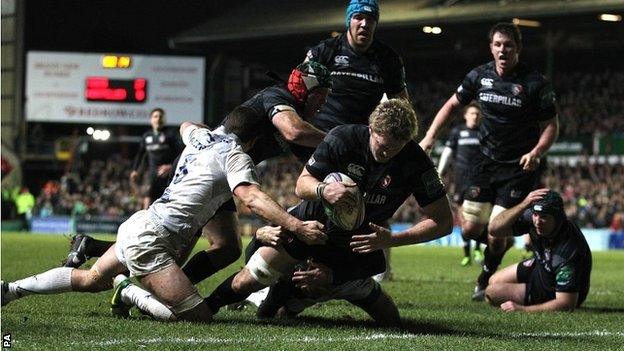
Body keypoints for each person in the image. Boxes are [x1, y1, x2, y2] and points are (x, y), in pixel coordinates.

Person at [1, 109, 327, 324]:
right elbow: (250, 197)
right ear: (254, 140)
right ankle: (128, 289)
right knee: (197, 316)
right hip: (154, 240)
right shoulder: (236, 155)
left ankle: (11, 290)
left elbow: (186, 125)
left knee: (89, 280)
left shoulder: (201, 137)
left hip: (139, 223)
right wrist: (295, 224)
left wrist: (204, 129)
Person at [62, 62, 331, 291]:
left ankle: (102, 250)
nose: (323, 103)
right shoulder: (279, 96)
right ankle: (141, 288)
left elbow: (306, 151)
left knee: (227, 248)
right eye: (320, 95)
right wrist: (336, 138)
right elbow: (294, 131)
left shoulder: (291, 113)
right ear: (303, 89)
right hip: (209, 170)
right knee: (171, 255)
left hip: (224, 176)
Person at [203, 99, 453, 326]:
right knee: (249, 278)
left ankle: (294, 294)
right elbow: (302, 185)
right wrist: (323, 190)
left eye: (395, 148)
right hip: (311, 225)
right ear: (370, 128)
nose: (386, 154)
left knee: (390, 318)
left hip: (355, 244)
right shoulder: (342, 138)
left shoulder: (417, 162)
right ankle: (206, 307)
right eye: (381, 145)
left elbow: (442, 223)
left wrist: (393, 239)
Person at [419, 23, 559, 301]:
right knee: (470, 228)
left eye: (508, 45)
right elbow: (451, 105)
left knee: (495, 230)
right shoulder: (479, 76)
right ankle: (501, 244)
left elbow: (551, 125)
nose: (502, 50)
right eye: (497, 44)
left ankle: (484, 278)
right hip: (484, 164)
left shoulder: (534, 83)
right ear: (491, 48)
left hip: (518, 167)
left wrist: (537, 152)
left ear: (518, 48)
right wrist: (430, 137)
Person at [303, 0, 409, 282]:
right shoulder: (324, 51)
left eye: (370, 19)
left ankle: (378, 269)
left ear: (376, 23)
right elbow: (300, 88)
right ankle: (302, 261)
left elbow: (401, 104)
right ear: (349, 21)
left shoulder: (387, 59)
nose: (364, 24)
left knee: (373, 205)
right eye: (359, 17)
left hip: (366, 144)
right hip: (324, 141)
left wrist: (403, 138)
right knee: (315, 202)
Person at [485, 189, 592, 312]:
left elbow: (567, 303)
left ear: (558, 218)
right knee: (493, 280)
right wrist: (524, 203)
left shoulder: (569, 250)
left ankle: (533, 294)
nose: (537, 222)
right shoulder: (534, 219)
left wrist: (523, 309)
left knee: (491, 293)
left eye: (544, 217)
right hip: (542, 267)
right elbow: (494, 229)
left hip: (551, 290)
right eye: (535, 214)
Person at [437, 103, 484, 266]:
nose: (475, 116)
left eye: (478, 114)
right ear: (466, 115)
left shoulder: (484, 132)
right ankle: (467, 254)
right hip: (461, 181)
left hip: (480, 180)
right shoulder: (457, 132)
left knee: (477, 217)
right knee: (463, 218)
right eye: (472, 113)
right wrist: (440, 171)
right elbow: (448, 152)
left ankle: (478, 249)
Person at [130, 108, 183, 209]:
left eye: (160, 116)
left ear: (164, 119)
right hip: (152, 174)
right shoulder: (147, 136)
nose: (158, 119)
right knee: (148, 196)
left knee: (167, 200)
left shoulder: (170, 135)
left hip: (169, 174)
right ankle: (146, 219)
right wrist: (135, 170)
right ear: (151, 120)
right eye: (155, 116)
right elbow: (140, 154)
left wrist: (170, 166)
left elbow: (180, 153)